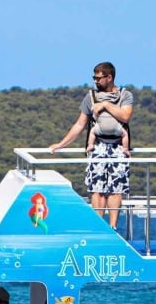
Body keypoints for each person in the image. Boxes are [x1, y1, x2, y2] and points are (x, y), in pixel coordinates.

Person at [48, 61, 134, 227]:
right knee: (97, 188)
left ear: (109, 77)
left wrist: (106, 105)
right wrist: (61, 144)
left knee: (116, 189)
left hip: (118, 146)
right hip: (98, 146)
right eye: (94, 78)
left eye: (98, 78)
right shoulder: (90, 97)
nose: (95, 81)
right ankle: (99, 227)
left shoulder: (125, 95)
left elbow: (125, 116)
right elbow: (80, 124)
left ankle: (113, 228)